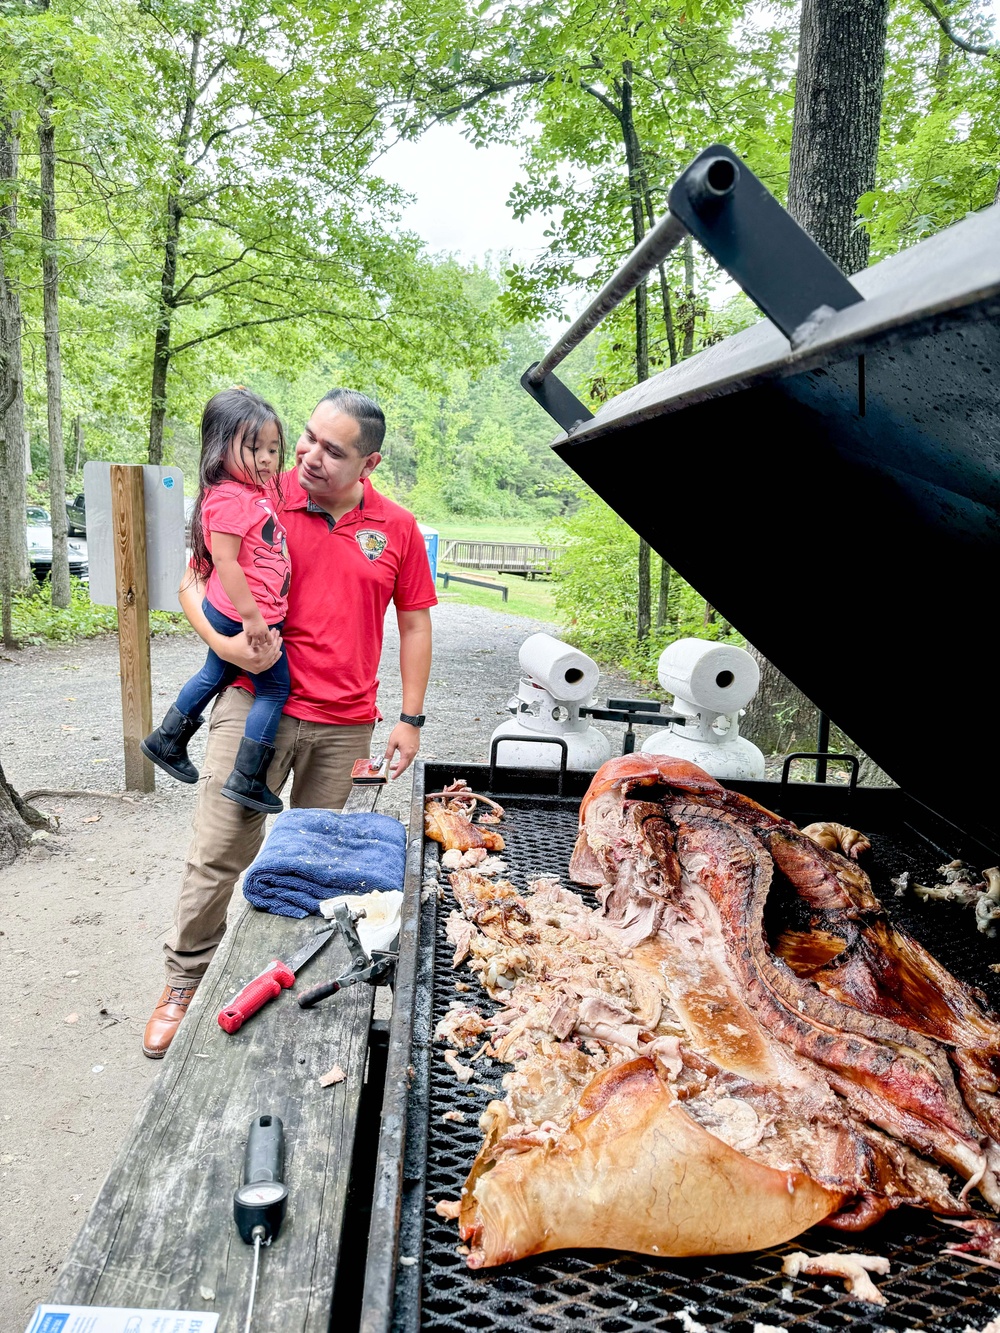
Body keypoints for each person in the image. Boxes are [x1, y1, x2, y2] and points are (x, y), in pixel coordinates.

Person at [142, 388, 435, 1058]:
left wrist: (411, 718)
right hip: (253, 702)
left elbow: (414, 621)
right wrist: (221, 645)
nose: (307, 455)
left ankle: (271, 982)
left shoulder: (397, 528)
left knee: (310, 867)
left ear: (370, 462)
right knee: (219, 851)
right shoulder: (259, 493)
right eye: (307, 437)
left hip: (344, 725)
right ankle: (183, 982)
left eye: (333, 450)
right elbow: (193, 579)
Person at [141, 388, 291, 814]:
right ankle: (247, 777)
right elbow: (224, 563)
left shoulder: (252, 491)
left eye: (272, 449)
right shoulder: (227, 497)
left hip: (241, 615)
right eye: (252, 448)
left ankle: (166, 740)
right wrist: (253, 620)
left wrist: (244, 397)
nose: (265, 458)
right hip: (241, 617)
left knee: (213, 673)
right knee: (275, 687)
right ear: (220, 447)